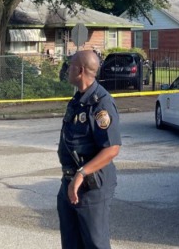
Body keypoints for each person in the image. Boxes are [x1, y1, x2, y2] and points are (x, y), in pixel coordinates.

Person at [57, 50, 121, 249]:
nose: (67, 69)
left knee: (95, 244)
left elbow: (111, 149)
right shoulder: (78, 100)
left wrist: (82, 174)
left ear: (80, 70)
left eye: (71, 65)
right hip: (70, 183)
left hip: (92, 187)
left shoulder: (101, 103)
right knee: (71, 243)